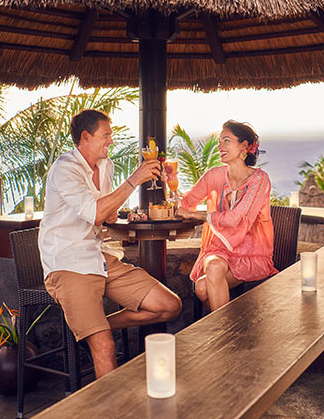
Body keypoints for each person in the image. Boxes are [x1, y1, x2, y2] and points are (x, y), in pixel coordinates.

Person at [39, 109, 182, 378]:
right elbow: (94, 213)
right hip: (68, 266)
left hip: (99, 258)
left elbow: (103, 213)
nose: (111, 141)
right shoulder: (65, 169)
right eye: (106, 135)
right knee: (104, 346)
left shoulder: (106, 167)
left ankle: (97, 326)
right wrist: (134, 180)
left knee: (169, 305)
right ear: (85, 136)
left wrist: (113, 211)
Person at [176, 120, 276, 311]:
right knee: (213, 268)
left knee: (203, 287)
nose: (220, 146)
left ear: (244, 146)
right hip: (219, 251)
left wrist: (195, 215)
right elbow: (186, 202)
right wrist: (170, 184)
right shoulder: (213, 175)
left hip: (251, 254)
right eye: (219, 141)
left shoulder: (259, 180)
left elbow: (233, 219)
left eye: (226, 141)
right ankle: (227, 333)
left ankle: (220, 333)